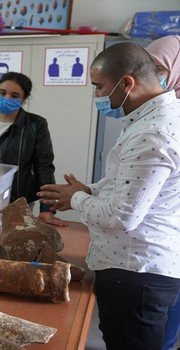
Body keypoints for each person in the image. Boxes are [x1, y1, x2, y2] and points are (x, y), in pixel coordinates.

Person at [38, 42, 180, 350]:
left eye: (98, 87)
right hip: (140, 268)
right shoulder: (154, 119)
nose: (96, 96)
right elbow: (125, 182)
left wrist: (75, 199)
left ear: (126, 83)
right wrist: (88, 190)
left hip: (135, 272)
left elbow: (121, 216)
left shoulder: (152, 133)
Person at [0, 72, 66, 227]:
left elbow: (44, 167)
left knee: (15, 241)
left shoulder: (35, 125)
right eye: (2, 93)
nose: (6, 98)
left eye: (14, 95)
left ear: (24, 99)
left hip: (17, 199)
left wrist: (47, 209)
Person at [146, 34, 180, 350]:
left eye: (157, 67)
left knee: (163, 334)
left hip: (167, 249)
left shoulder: (169, 120)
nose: (150, 73)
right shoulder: (162, 110)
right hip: (163, 244)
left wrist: (79, 197)